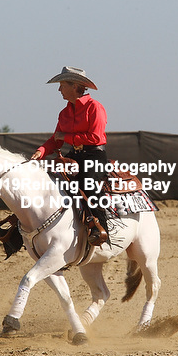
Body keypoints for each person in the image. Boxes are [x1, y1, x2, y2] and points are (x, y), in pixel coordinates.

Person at [31, 66, 108, 246]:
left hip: (94, 155)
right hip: (75, 155)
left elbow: (96, 137)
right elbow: (55, 140)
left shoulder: (94, 107)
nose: (59, 90)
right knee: (48, 179)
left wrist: (66, 137)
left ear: (75, 86)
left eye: (62, 85)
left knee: (87, 183)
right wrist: (41, 151)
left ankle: (100, 227)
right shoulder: (64, 113)